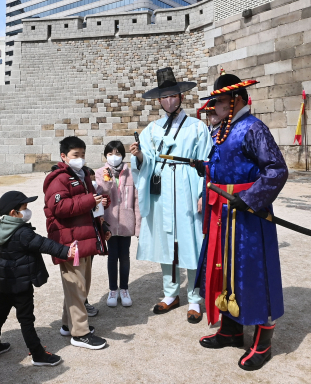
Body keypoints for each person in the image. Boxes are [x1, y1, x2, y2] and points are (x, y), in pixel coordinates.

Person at [195, 72, 288, 371]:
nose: (215, 106)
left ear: (235, 101)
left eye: (219, 101)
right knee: (225, 269)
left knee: (252, 270)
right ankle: (231, 330)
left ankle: (263, 341)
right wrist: (206, 168)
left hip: (248, 214)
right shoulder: (223, 129)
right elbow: (225, 163)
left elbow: (276, 170)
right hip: (222, 211)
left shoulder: (253, 128)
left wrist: (249, 199)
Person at [129, 67, 212, 323]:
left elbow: (206, 161)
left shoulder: (197, 127)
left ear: (181, 97)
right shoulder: (152, 129)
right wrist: (139, 156)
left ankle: (196, 299)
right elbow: (146, 159)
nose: (169, 101)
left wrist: (202, 194)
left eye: (173, 96)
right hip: (162, 189)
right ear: (158, 101)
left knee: (191, 241)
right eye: (164, 97)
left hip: (187, 185)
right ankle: (170, 293)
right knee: (167, 243)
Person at [0, 191, 76, 366]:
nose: (27, 211)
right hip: (21, 282)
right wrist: (66, 251)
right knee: (26, 318)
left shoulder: (1, 226)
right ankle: (38, 354)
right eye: (24, 208)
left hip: (6, 279)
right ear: (13, 213)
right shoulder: (22, 233)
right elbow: (43, 243)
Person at [43, 136, 111, 350]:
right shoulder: (58, 178)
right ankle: (79, 333)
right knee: (76, 285)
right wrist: (91, 200)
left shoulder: (82, 176)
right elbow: (59, 207)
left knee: (79, 286)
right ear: (63, 156)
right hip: (69, 241)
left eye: (82, 154)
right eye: (75, 155)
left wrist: (102, 220)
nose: (80, 159)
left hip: (84, 236)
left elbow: (87, 208)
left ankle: (67, 324)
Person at [95, 140, 141, 307]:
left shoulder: (130, 172)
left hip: (126, 223)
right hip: (109, 222)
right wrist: (107, 179)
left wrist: (138, 227)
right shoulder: (100, 172)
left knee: (125, 257)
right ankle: (113, 290)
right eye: (110, 153)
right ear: (105, 155)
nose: (114, 157)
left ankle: (124, 289)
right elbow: (101, 193)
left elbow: (136, 200)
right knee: (112, 257)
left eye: (118, 153)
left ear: (123, 155)